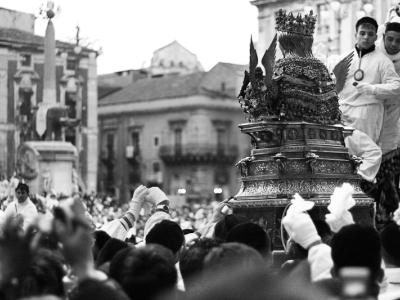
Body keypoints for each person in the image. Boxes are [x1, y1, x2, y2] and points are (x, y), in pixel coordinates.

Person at [334, 17, 400, 144]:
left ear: (376, 37)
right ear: (356, 35)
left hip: (368, 115)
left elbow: (397, 86)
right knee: (343, 156)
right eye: (362, 33)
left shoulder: (383, 61)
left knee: (363, 155)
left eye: (370, 34)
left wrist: (373, 89)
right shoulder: (343, 58)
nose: (366, 37)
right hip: (343, 114)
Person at [377, 21, 400, 153]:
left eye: (398, 41)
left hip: (393, 113)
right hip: (370, 112)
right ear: (384, 36)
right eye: (390, 39)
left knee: (388, 152)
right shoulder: (372, 53)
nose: (393, 44)